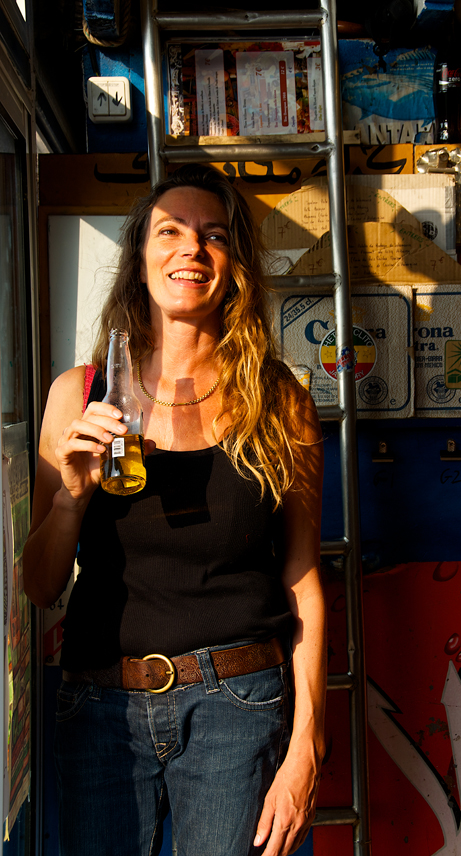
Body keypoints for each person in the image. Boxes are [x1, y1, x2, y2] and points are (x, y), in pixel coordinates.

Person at [23, 163, 326, 856]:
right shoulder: (78, 395)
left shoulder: (279, 401)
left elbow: (303, 579)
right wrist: (71, 496)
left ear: (235, 265)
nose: (192, 247)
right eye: (170, 231)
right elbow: (39, 586)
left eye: (213, 235)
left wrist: (307, 743)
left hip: (238, 704)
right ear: (139, 258)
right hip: (99, 704)